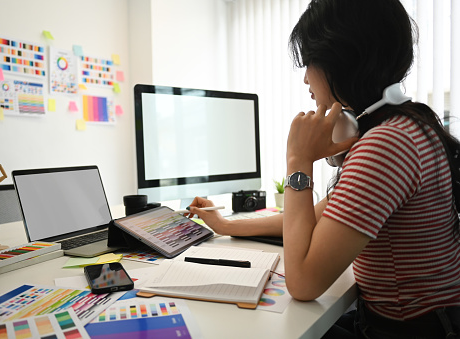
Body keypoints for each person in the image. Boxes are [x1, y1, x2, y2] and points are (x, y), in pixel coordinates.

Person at [187, 0, 460, 337]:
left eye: (310, 62)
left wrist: (298, 161)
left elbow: (302, 283)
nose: (305, 79)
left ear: (341, 60)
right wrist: (226, 224)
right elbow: (318, 217)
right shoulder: (403, 126)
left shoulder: (386, 145)